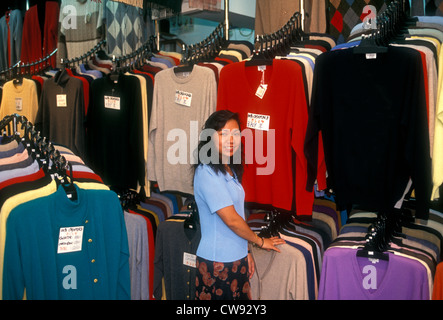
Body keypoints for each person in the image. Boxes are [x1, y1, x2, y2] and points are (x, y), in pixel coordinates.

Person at [193, 110, 285, 300]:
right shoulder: (206, 172)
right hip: (216, 263)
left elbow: (239, 215)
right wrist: (259, 241)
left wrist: (247, 251)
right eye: (223, 134)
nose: (231, 140)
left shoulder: (229, 169)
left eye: (235, 134)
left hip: (237, 259)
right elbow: (232, 220)